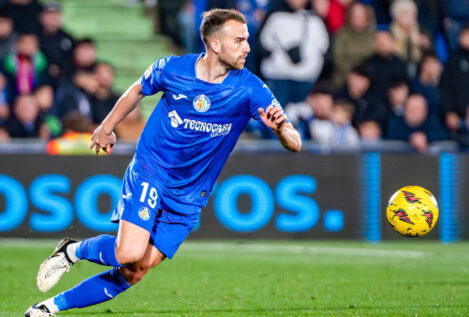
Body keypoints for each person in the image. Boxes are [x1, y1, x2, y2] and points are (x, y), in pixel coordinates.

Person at [24, 8, 301, 317]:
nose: (247, 47)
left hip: (189, 194)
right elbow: (137, 90)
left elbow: (295, 141)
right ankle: (73, 251)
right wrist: (105, 127)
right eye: (239, 40)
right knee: (128, 252)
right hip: (152, 170)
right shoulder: (173, 69)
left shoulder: (249, 88)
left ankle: (48, 307)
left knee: (134, 271)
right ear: (215, 45)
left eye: (247, 39)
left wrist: (280, 130)